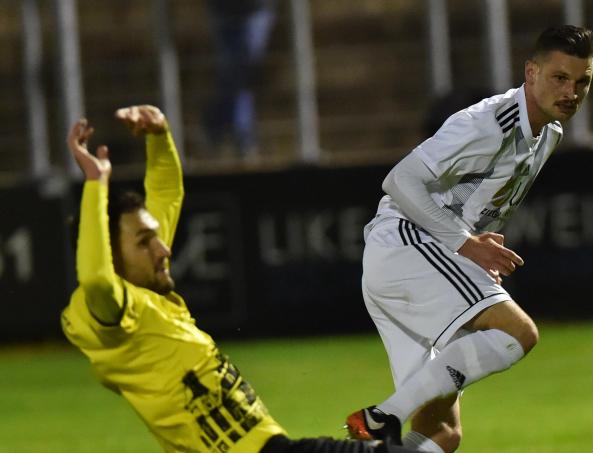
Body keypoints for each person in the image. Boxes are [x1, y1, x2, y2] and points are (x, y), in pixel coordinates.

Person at [61, 105, 419, 453]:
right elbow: (95, 280)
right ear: (109, 255)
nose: (163, 249)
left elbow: (167, 194)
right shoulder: (110, 312)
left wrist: (159, 137)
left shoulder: (145, 294)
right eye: (144, 241)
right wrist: (96, 183)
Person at [345, 25, 593, 452]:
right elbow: (400, 179)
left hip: (410, 262)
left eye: (582, 81)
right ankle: (385, 414)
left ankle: (386, 420)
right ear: (531, 72)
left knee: (441, 435)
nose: (571, 91)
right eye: (560, 77)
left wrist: (471, 245)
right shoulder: (490, 122)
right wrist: (465, 243)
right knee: (518, 334)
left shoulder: (548, 133)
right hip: (408, 245)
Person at [204, 0, 276, 159]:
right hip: (222, 10)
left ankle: (220, 129)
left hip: (255, 8)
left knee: (238, 71)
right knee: (236, 73)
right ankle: (241, 138)